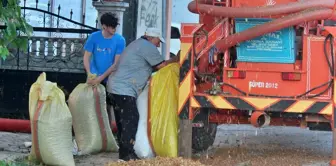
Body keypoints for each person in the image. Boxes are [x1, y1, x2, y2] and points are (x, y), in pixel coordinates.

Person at [106, 27, 179, 161]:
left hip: (114, 88)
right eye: (158, 41)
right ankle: (127, 153)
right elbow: (161, 66)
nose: (158, 45)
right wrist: (178, 59)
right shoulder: (147, 46)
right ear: (151, 38)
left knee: (123, 121)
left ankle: (124, 153)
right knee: (131, 119)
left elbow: (148, 67)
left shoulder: (137, 44)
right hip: (123, 89)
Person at [83, 12, 126, 124]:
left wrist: (100, 79)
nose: (114, 29)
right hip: (94, 75)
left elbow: (115, 64)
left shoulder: (120, 40)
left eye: (115, 26)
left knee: (108, 105)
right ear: (104, 26)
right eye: (111, 26)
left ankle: (109, 132)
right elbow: (86, 57)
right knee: (92, 105)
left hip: (111, 77)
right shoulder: (94, 37)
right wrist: (89, 73)